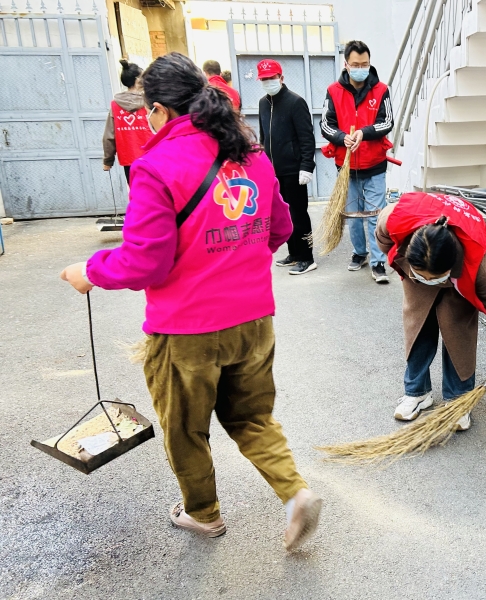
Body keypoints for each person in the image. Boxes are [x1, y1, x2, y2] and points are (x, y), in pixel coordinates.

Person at [60, 52, 322, 550]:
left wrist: (88, 272)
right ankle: (296, 494)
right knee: (252, 418)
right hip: (253, 322)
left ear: (158, 110)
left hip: (185, 333)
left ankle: (203, 514)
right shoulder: (252, 155)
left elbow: (144, 264)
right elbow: (281, 229)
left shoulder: (155, 168)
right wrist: (236, 262)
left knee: (185, 429)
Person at [376, 192, 486, 429]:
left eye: (433, 279)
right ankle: (417, 393)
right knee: (418, 327)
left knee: (458, 333)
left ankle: (457, 399)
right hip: (417, 269)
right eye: (423, 275)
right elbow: (384, 240)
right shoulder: (393, 220)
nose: (428, 281)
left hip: (460, 281)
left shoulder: (474, 255)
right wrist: (413, 273)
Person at [322, 39, 394, 284]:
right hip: (347, 165)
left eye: (365, 63)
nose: (360, 68)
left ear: (369, 63)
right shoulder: (333, 91)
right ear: (346, 64)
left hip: (374, 164)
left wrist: (364, 132)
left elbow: (387, 122)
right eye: (355, 64)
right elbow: (325, 125)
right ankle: (359, 253)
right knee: (352, 214)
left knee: (375, 215)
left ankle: (378, 262)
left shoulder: (381, 90)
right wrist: (342, 138)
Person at [257, 59, 318, 275]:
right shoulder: (263, 103)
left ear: (281, 78)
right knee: (283, 215)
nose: (268, 82)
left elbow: (306, 138)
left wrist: (306, 166)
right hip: (274, 171)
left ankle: (307, 257)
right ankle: (294, 253)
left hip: (294, 170)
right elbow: (264, 138)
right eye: (264, 79)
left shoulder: (295, 102)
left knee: (298, 214)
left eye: (271, 78)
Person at [102, 59, 153, 183]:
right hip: (151, 158)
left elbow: (109, 136)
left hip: (129, 160)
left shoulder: (115, 105)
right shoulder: (149, 102)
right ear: (137, 80)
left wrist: (108, 161)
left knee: (136, 194)